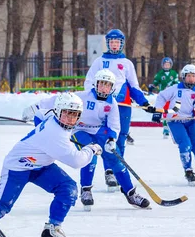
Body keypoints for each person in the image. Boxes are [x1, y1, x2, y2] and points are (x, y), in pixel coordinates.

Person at [0, 92, 103, 237]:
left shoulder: (50, 117)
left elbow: (39, 115)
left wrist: (37, 123)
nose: (70, 119)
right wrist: (92, 148)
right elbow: (77, 161)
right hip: (18, 166)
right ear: (58, 111)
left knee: (68, 188)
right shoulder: (56, 135)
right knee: (2, 205)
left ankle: (52, 230)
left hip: (41, 166)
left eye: (74, 115)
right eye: (66, 113)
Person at [23, 70, 151, 211]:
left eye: (107, 85)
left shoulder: (112, 103)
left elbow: (114, 124)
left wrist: (111, 139)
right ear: (96, 84)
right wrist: (35, 107)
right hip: (79, 129)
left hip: (99, 130)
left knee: (116, 159)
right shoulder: (82, 96)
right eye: (101, 83)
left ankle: (130, 193)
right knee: (89, 155)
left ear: (112, 87)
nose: (104, 88)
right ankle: (86, 190)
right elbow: (59, 99)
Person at [83, 28, 155, 189]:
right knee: (104, 137)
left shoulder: (127, 63)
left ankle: (115, 170)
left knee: (120, 137)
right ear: (108, 43)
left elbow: (134, 85)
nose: (114, 45)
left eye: (117, 42)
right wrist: (93, 98)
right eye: (112, 42)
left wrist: (144, 103)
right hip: (103, 105)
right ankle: (108, 171)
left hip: (122, 105)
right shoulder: (99, 62)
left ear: (121, 44)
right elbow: (89, 83)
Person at [149, 64, 195, 186]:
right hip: (175, 121)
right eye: (189, 76)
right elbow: (161, 97)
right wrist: (158, 111)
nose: (191, 79)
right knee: (186, 144)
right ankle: (188, 170)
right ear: (183, 77)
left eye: (193, 76)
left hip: (191, 121)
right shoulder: (175, 89)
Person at [152, 57, 179, 139]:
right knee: (164, 111)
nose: (167, 66)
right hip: (163, 96)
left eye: (168, 64)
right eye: (165, 64)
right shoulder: (159, 74)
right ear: (162, 65)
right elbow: (155, 83)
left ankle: (171, 126)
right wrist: (153, 86)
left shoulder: (174, 74)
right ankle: (165, 128)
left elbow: (177, 83)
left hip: (172, 96)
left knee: (172, 111)